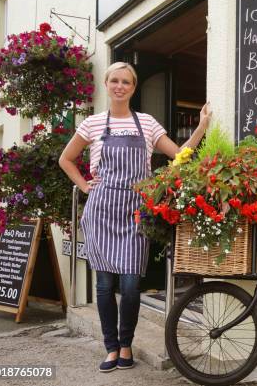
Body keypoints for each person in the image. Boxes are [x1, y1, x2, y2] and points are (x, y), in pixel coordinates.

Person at [59, 62, 211, 372]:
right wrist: (85, 185)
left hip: (134, 211)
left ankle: (126, 344)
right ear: (106, 83)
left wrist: (201, 128)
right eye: (114, 80)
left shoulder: (147, 123)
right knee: (103, 286)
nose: (119, 86)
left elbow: (179, 156)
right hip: (101, 209)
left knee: (130, 286)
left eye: (126, 82)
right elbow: (66, 159)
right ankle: (111, 348)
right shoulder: (92, 123)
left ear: (133, 86)